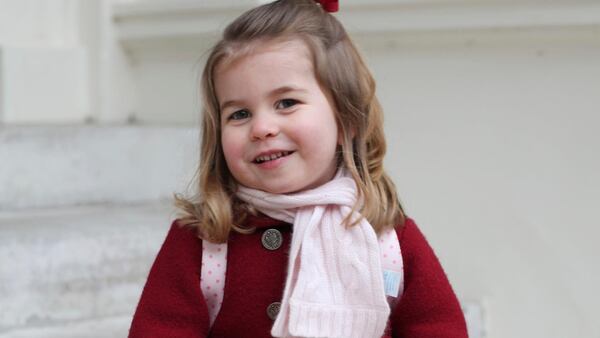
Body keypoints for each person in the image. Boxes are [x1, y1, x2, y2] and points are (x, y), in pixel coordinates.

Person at [129, 0, 468, 337]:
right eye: (239, 114)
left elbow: (439, 327)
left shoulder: (385, 238)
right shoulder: (206, 241)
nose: (261, 127)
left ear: (347, 118)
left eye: (286, 103)